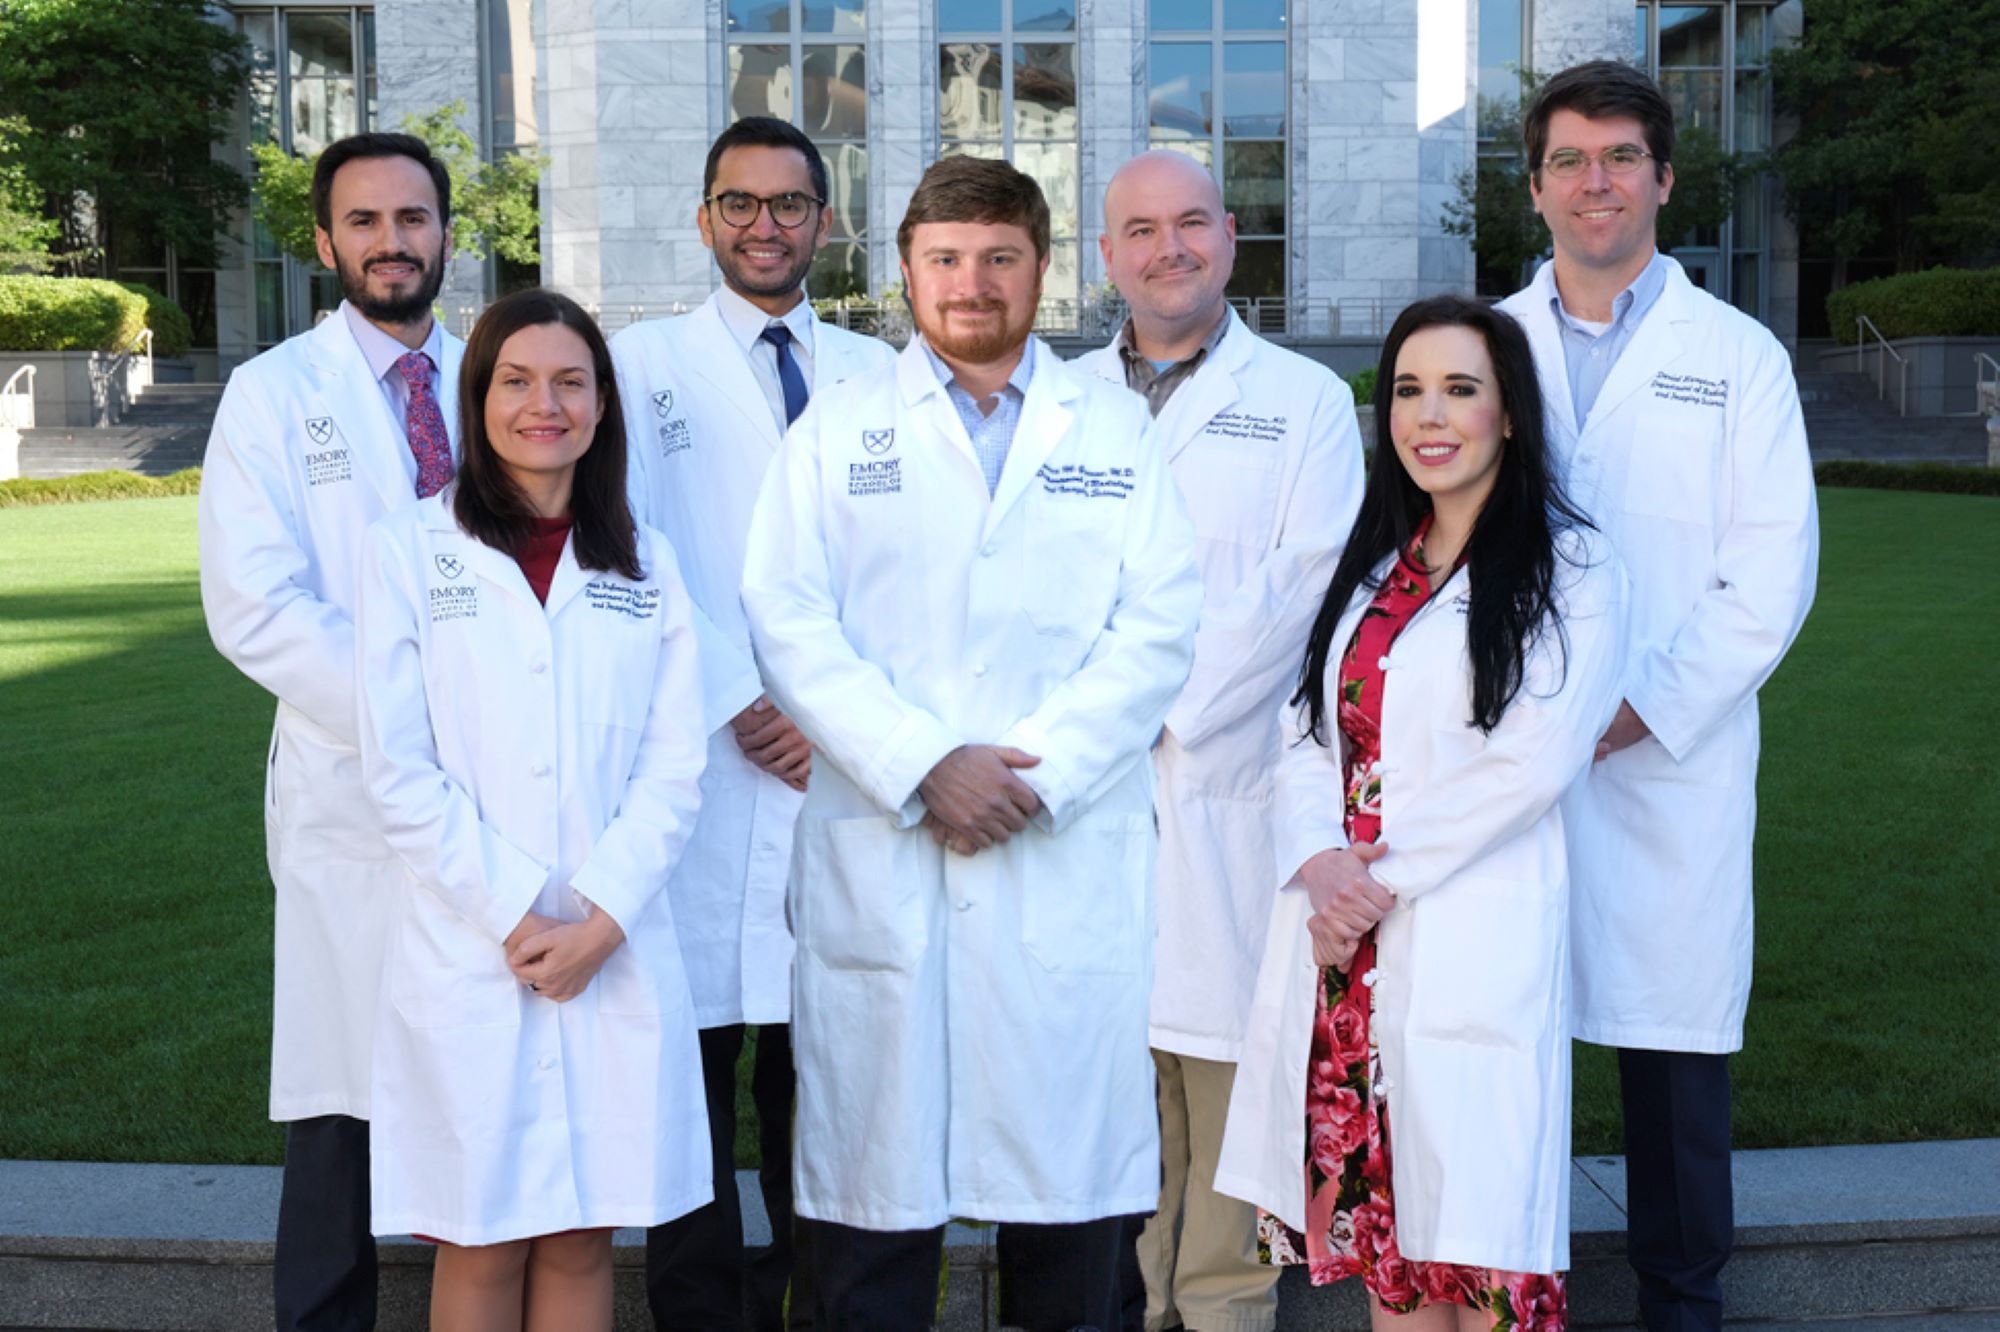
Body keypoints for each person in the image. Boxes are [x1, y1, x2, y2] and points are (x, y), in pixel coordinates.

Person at [740, 155, 1203, 1328]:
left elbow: (1156, 626)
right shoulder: (837, 429)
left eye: (999, 258)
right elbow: (786, 618)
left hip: (1058, 856)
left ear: (1041, 271)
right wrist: (921, 764)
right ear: (904, 271)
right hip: (883, 860)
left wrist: (1026, 773)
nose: (971, 283)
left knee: (1073, 1240)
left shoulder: (1108, 424)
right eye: (945, 258)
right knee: (867, 1240)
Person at [1215, 295, 1628, 1331]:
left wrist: (1369, 885)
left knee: (1482, 1265)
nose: (1427, 415)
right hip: (1342, 957)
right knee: (1389, 1262)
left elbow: (1531, 763)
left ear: (1509, 415)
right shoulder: (1373, 570)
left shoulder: (1571, 570)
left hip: (1455, 933)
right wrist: (1317, 860)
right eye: (1406, 389)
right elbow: (1305, 731)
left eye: (1458, 389)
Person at [353, 287, 753, 1328]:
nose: (546, 404)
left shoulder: (644, 561)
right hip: (471, 947)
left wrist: (601, 919)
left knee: (582, 1239)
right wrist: (521, 911)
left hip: (612, 951)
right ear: (477, 396)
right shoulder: (406, 551)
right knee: (481, 1240)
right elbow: (397, 770)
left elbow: (675, 773)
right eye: (518, 380)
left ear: (602, 404)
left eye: (571, 381)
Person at [1497, 61, 1819, 1331]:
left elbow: (1768, 572)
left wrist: (1631, 712)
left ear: (1663, 178)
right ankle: (1504, 1289)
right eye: (1570, 161)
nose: (1596, 182)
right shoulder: (1482, 344)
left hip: (1663, 762)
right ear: (1534, 190)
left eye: (1620, 157)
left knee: (1672, 1055)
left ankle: (1684, 1303)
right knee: (1497, 1043)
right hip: (1506, 757)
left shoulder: (1733, 358)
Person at [612, 115, 896, 1331]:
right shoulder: (636, 365)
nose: (764, 226)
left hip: (834, 775)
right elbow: (625, 547)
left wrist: (824, 711)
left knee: (818, 1102)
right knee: (688, 1108)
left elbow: (896, 575)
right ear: (704, 218)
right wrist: (739, 694)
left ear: (822, 222)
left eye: (788, 205)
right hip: (702, 764)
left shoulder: (880, 380)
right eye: (740, 203)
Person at [1074, 148, 1365, 1332]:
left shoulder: (1304, 402)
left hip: (1230, 801)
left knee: (1233, 1129)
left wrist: (1141, 703)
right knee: (1112, 1132)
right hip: (1091, 813)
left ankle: (1224, 1316)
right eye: (1138, 231)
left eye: (1189, 223)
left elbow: (1309, 597)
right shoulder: (1063, 403)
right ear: (1107, 256)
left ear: (1231, 236)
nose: (1166, 249)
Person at [198, 131, 464, 1330]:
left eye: (412, 218)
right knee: (340, 1091)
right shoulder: (271, 396)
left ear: (446, 232)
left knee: (486, 1064)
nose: (390, 243)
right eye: (364, 222)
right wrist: (415, 713)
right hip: (350, 789)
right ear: (324, 243)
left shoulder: (501, 375)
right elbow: (255, 608)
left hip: (496, 787)